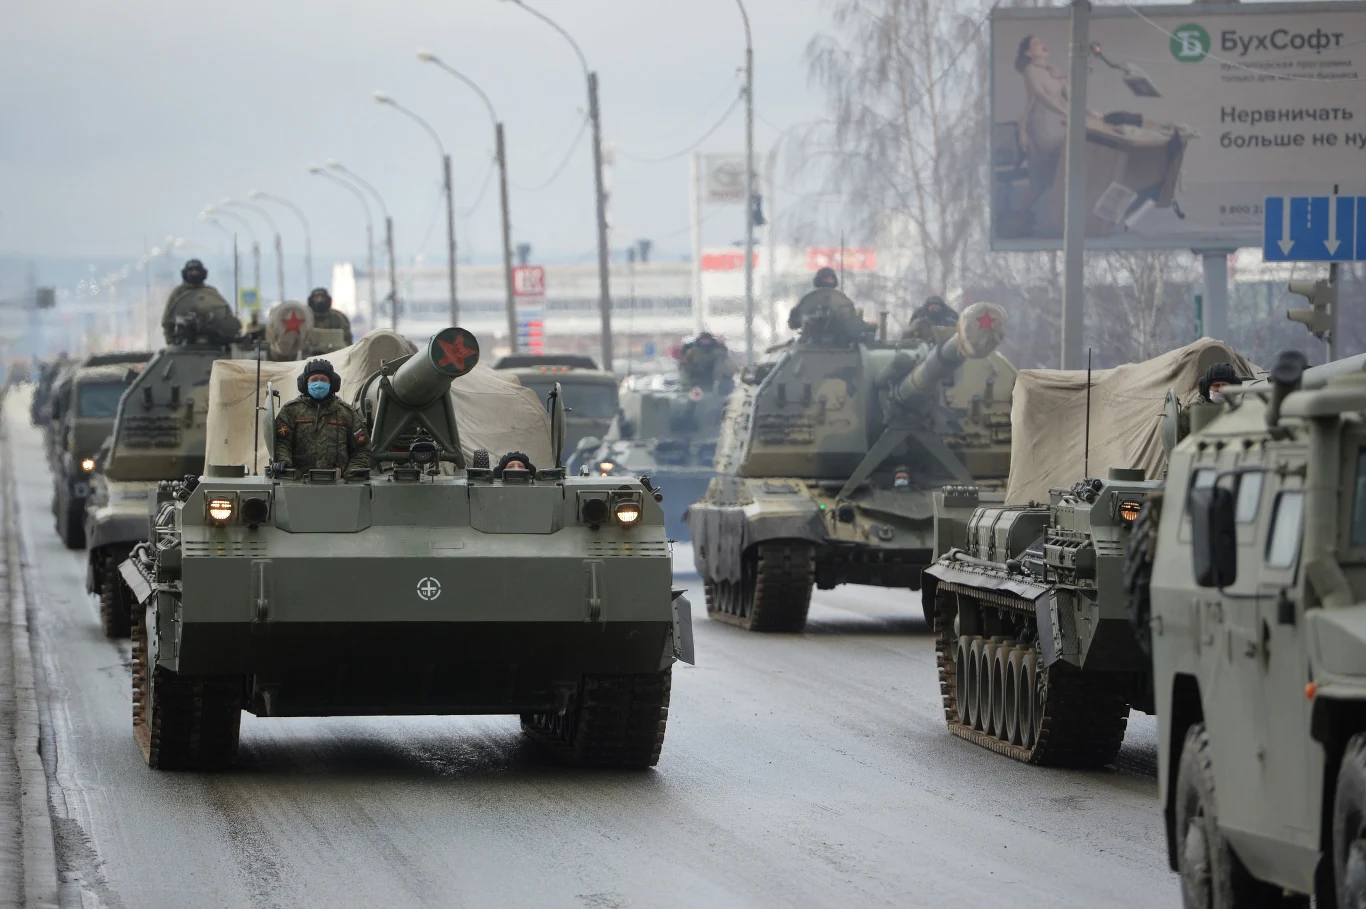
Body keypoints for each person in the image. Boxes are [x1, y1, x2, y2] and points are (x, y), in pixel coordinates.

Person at [272, 358, 371, 475]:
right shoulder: (291, 410)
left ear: (332, 384)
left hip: (338, 485)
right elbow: (281, 442)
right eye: (314, 380)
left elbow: (362, 448)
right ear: (305, 383)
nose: (318, 383)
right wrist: (283, 461)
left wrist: (352, 472)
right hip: (299, 483)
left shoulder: (346, 412)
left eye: (324, 380)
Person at [161, 259, 236, 344]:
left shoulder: (211, 293)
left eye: (197, 270)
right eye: (191, 270)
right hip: (185, 344)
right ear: (185, 273)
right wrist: (170, 341)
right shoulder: (178, 292)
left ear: (203, 273)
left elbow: (225, 313)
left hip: (213, 343)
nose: (194, 273)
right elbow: (167, 319)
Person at [787, 268, 871, 344]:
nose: (829, 280)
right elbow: (794, 322)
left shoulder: (808, 300)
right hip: (830, 346)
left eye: (831, 278)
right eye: (826, 278)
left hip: (822, 346)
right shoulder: (842, 301)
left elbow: (793, 323)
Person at [304, 287, 353, 352]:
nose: (319, 301)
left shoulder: (338, 318)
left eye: (322, 298)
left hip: (335, 354)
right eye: (316, 299)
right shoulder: (304, 319)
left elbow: (347, 341)